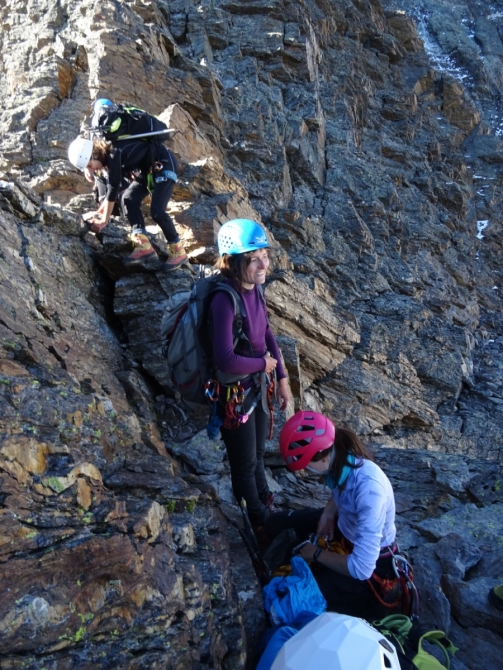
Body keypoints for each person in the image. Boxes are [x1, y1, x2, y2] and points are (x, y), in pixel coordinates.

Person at [265, 410, 401, 621]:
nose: (306, 471)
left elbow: (362, 567)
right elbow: (342, 490)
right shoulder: (341, 461)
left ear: (323, 457)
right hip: (343, 528)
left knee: (291, 599)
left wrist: (315, 554)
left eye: (306, 466)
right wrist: (329, 512)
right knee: (274, 524)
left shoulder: (370, 491)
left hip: (371, 567)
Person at [209, 219, 290, 529]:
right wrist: (264, 366)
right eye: (253, 258)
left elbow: (267, 331)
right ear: (234, 261)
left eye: (265, 255)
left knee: (256, 454)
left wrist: (281, 377)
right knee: (243, 465)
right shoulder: (223, 299)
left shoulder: (255, 288)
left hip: (256, 387)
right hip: (234, 394)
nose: (263, 264)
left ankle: (264, 501)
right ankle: (259, 523)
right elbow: (225, 359)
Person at [67, 134, 187, 270]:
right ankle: (143, 245)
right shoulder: (109, 158)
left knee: (157, 212)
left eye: (90, 165)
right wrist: (100, 213)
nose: (92, 169)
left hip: (163, 163)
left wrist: (104, 220)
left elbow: (112, 190)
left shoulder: (114, 154)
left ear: (94, 155)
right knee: (128, 198)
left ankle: (178, 251)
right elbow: (113, 194)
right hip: (148, 170)